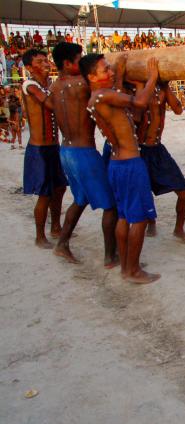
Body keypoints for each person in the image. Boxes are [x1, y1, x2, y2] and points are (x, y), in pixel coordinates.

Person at [80, 53, 161, 283]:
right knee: (140, 218)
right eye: (105, 69)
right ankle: (132, 270)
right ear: (92, 76)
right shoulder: (105, 95)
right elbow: (140, 103)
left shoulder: (96, 98)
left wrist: (121, 69)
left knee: (124, 216)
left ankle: (126, 265)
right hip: (130, 163)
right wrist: (151, 78)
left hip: (117, 163)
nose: (111, 72)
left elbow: (131, 114)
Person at [47, 43, 119, 268]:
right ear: (67, 64)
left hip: (66, 151)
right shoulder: (81, 84)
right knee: (111, 205)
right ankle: (110, 257)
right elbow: (108, 84)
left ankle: (62, 244)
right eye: (79, 60)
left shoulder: (55, 86)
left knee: (80, 199)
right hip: (83, 152)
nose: (82, 63)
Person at [134, 80, 185, 244]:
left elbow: (178, 110)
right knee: (143, 192)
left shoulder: (162, 89)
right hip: (138, 150)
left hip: (157, 149)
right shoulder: (135, 87)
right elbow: (136, 115)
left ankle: (179, 230)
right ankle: (151, 222)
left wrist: (165, 85)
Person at [21, 49, 67, 248]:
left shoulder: (48, 85)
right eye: (40, 61)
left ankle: (56, 227)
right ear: (29, 68)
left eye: (45, 60)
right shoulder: (29, 85)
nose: (46, 63)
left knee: (59, 188)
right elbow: (49, 104)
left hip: (53, 147)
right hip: (39, 150)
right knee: (45, 193)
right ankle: (40, 236)